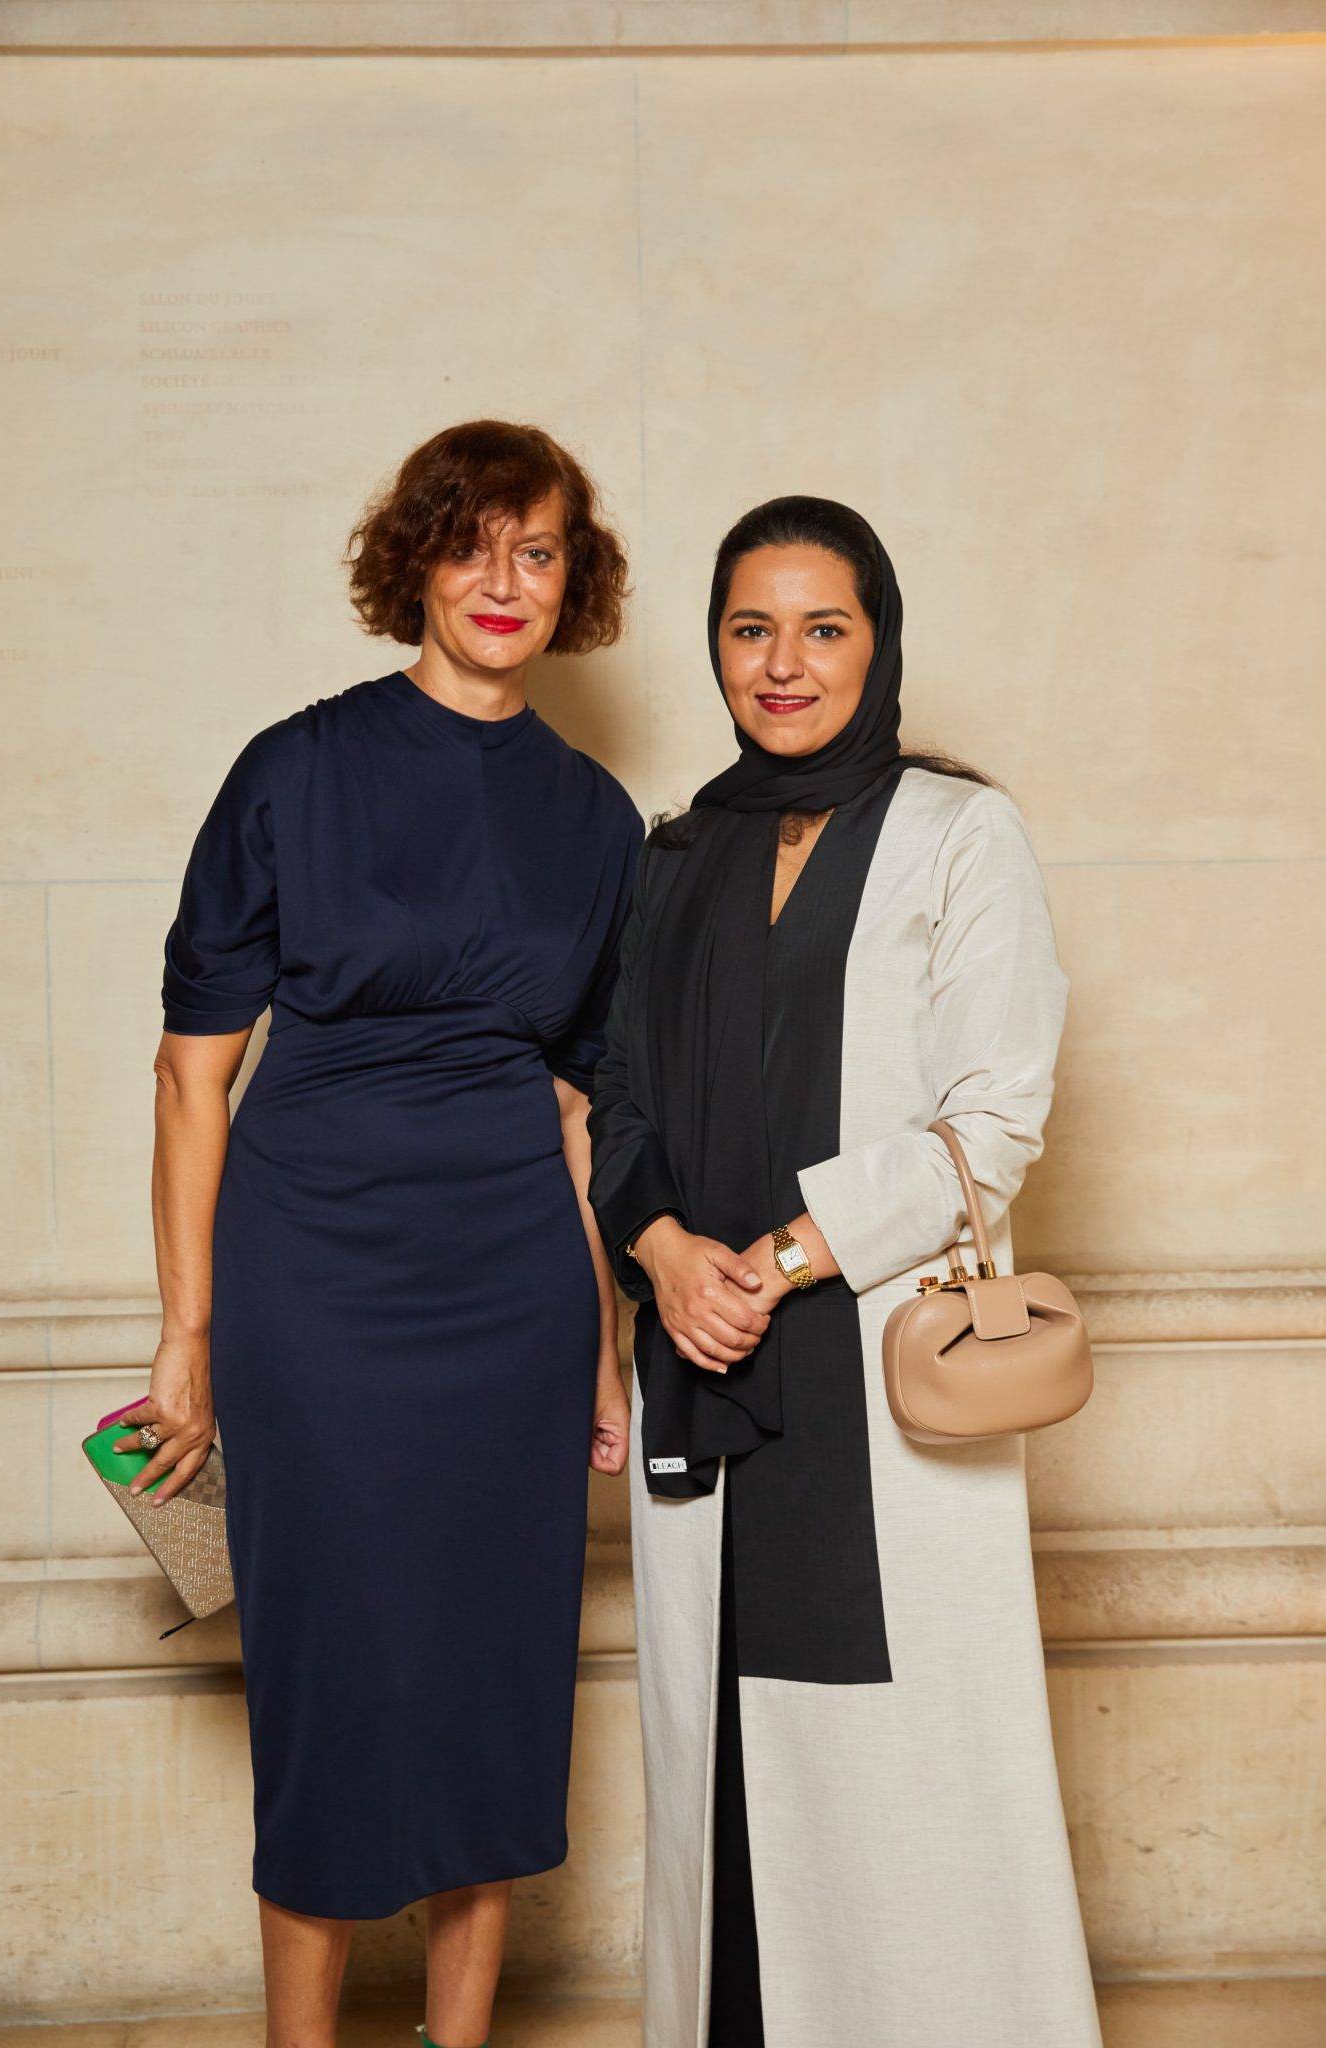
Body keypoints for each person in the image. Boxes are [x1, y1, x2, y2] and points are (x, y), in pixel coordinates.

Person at [115, 420, 643, 2048]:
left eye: (537, 550)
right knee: (335, 1688)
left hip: (514, 1299)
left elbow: (583, 1113)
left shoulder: (598, 819)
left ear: (574, 583)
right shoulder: (295, 768)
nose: (502, 580)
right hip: (313, 1283)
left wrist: (608, 1352)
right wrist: (187, 1331)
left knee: (497, 1683)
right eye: (471, 542)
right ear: (412, 560)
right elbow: (191, 1079)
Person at [588, 495, 1102, 2047]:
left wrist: (787, 1258)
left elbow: (993, 1118)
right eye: (752, 629)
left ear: (877, 643)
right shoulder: (676, 852)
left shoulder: (961, 835)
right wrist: (669, 1254)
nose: (785, 663)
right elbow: (614, 1099)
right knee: (721, 1770)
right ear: (716, 651)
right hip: (698, 1346)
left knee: (904, 1783)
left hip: (869, 1371)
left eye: (824, 627)